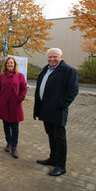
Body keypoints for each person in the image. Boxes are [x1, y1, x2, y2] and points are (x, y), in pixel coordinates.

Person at [34, 48, 79, 176]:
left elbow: (73, 91)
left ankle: (61, 165)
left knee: (59, 138)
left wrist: (61, 105)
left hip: (58, 111)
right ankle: (53, 158)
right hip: (45, 110)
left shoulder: (69, 71)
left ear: (61, 57)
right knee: (51, 135)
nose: (52, 59)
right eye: (50, 57)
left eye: (55, 57)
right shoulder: (46, 69)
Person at [0, 56, 27, 158]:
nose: (10, 65)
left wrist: (20, 98)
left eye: (11, 63)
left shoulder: (20, 76)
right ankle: (8, 143)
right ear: (5, 65)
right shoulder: (2, 76)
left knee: (15, 127)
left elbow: (24, 89)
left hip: (15, 105)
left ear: (14, 64)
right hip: (4, 104)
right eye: (8, 63)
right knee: (6, 125)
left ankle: (14, 147)